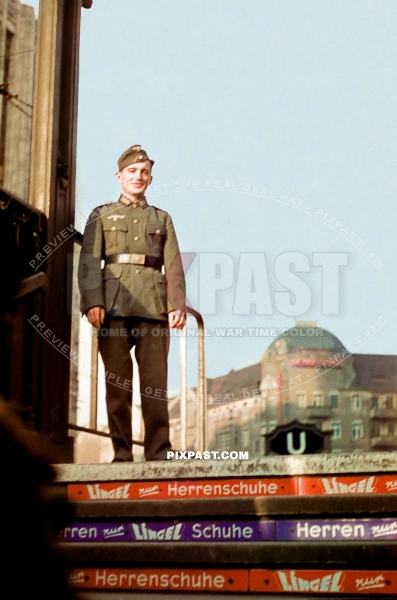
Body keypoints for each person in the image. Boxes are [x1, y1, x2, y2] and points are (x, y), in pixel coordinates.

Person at [78, 145, 186, 461]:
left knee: (155, 386)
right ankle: (122, 454)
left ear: (150, 179)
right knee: (117, 388)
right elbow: (88, 262)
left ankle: (158, 451)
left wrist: (177, 304)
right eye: (132, 172)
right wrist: (92, 302)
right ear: (119, 176)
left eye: (144, 172)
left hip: (153, 309)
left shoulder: (162, 218)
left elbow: (174, 264)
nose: (138, 177)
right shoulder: (101, 214)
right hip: (111, 308)